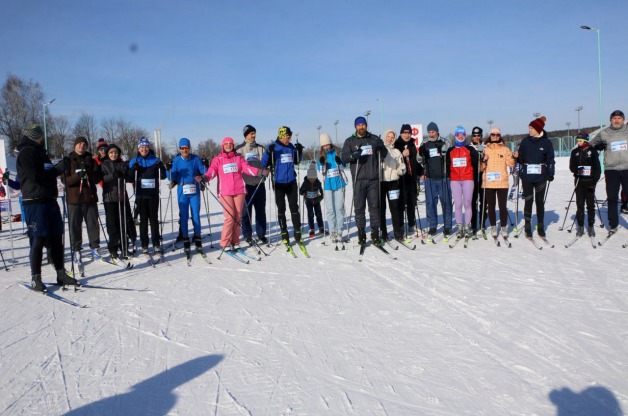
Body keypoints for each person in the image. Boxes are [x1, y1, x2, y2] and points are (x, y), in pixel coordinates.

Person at [16, 124, 78, 291]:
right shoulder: (26, 152)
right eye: (40, 135)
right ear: (34, 136)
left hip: (49, 199)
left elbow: (48, 171)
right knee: (38, 239)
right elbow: (35, 177)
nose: (43, 138)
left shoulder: (40, 152)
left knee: (56, 237)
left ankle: (60, 273)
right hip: (35, 201)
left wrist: (60, 166)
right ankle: (36, 277)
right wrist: (57, 169)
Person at [205, 137, 266, 250]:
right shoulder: (218, 159)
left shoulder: (239, 158)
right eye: (226, 143)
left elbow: (247, 168)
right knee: (230, 217)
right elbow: (212, 171)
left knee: (238, 217)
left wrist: (259, 172)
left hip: (239, 191)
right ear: (223, 146)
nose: (228, 145)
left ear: (233, 145)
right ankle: (225, 242)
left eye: (230, 143)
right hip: (225, 192)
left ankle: (235, 241)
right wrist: (206, 177)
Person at [341, 116, 387, 246]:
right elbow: (344, 158)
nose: (361, 127)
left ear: (366, 125)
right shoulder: (350, 141)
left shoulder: (374, 139)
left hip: (373, 179)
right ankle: (361, 233)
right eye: (359, 125)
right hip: (358, 179)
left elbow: (383, 155)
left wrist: (381, 147)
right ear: (355, 127)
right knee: (359, 208)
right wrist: (353, 155)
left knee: (374, 208)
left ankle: (375, 233)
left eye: (363, 124)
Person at [261, 126, 304, 244]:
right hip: (278, 183)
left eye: (290, 137)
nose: (290, 139)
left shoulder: (291, 147)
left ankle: (297, 231)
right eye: (288, 137)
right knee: (281, 208)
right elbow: (263, 164)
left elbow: (297, 161)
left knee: (294, 207)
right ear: (282, 136)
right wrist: (268, 153)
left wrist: (299, 151)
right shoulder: (272, 147)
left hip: (291, 182)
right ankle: (284, 231)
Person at [62, 136, 103, 262]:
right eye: (79, 143)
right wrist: (77, 176)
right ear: (75, 145)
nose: (82, 146)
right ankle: (76, 249)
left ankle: (94, 247)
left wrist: (88, 173)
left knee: (93, 224)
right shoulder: (68, 160)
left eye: (84, 144)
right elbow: (65, 180)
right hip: (74, 199)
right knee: (75, 225)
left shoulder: (91, 160)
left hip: (89, 197)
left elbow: (97, 178)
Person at [587, 110, 628, 236]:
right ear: (611, 120)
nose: (617, 120)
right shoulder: (604, 132)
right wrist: (598, 146)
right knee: (612, 197)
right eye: (614, 118)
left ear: (623, 120)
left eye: (619, 118)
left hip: (627, 168)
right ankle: (613, 224)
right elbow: (591, 144)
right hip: (611, 170)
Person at [514, 116, 555, 238]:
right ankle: (528, 226)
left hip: (540, 176)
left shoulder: (546, 143)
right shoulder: (525, 141)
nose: (529, 130)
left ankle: (540, 226)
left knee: (539, 202)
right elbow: (521, 159)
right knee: (528, 201)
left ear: (538, 129)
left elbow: (550, 159)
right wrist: (517, 156)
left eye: (531, 128)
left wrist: (551, 172)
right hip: (527, 176)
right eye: (529, 128)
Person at [128, 137, 167, 254]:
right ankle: (144, 244)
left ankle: (156, 243)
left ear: (149, 148)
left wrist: (162, 167)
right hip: (141, 195)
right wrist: (132, 169)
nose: (144, 149)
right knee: (143, 220)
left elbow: (163, 176)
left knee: (154, 219)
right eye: (142, 147)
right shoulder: (134, 161)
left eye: (146, 147)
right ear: (138, 149)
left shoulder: (155, 160)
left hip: (153, 195)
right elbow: (129, 177)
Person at [167, 138, 206, 255]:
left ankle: (197, 237)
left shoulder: (195, 159)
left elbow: (204, 172)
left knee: (196, 215)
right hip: (182, 189)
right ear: (180, 149)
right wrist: (168, 170)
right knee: (184, 216)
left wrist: (205, 168)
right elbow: (171, 177)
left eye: (186, 148)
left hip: (194, 190)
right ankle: (185, 238)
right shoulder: (177, 160)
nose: (184, 150)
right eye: (182, 148)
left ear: (189, 148)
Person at [100, 144, 137, 259]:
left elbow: (129, 178)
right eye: (111, 153)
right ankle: (113, 249)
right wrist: (113, 175)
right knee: (112, 226)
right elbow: (103, 179)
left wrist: (129, 171)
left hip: (122, 198)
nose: (113, 154)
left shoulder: (122, 164)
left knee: (124, 224)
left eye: (115, 152)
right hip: (110, 199)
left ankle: (124, 248)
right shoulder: (104, 165)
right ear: (108, 154)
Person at [418, 122, 452, 238]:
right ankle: (432, 226)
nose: (431, 134)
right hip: (430, 178)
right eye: (429, 132)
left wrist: (444, 153)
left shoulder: (445, 142)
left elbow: (451, 156)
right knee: (430, 203)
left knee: (446, 202)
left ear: (437, 131)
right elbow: (419, 160)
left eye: (433, 132)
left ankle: (447, 225)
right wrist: (420, 153)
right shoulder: (424, 143)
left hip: (443, 177)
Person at [235, 125, 268, 245]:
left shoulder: (261, 148)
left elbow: (265, 163)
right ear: (246, 135)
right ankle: (247, 234)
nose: (253, 135)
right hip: (246, 185)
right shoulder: (239, 149)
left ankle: (261, 234)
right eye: (251, 133)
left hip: (259, 184)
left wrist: (266, 172)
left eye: (254, 133)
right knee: (246, 212)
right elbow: (237, 166)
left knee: (260, 211)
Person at [480, 127, 514, 238]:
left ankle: (503, 227)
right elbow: (481, 168)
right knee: (491, 206)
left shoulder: (505, 149)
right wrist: (483, 160)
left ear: (500, 136)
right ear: (490, 136)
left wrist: (514, 157)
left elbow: (511, 164)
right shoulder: (485, 149)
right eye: (493, 134)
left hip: (502, 182)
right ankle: (493, 226)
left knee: (502, 206)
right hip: (489, 182)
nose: (495, 136)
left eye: (497, 134)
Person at [447, 126, 479, 239]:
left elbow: (476, 164)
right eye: (458, 135)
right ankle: (459, 226)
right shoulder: (450, 150)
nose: (460, 137)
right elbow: (447, 166)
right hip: (455, 180)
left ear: (465, 136)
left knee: (467, 203)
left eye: (463, 135)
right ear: (455, 136)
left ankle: (467, 225)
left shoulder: (470, 149)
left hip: (467, 179)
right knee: (458, 204)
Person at [568, 132, 601, 236]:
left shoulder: (592, 151)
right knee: (580, 204)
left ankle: (591, 226)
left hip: (590, 182)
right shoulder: (575, 152)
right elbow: (572, 167)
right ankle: (580, 226)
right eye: (577, 141)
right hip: (579, 181)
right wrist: (577, 170)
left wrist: (594, 181)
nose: (579, 142)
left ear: (586, 141)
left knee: (590, 205)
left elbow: (597, 167)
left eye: (580, 141)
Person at [394, 124, 423, 238]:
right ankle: (401, 225)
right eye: (405, 133)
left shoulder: (412, 144)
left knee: (412, 202)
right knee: (401, 203)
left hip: (411, 177)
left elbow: (415, 161)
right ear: (401, 133)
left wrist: (421, 172)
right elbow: (393, 160)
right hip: (401, 178)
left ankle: (411, 224)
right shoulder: (397, 144)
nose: (407, 135)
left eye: (409, 133)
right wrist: (402, 154)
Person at [317, 133, 347, 243]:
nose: (326, 147)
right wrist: (322, 164)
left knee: (339, 208)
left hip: (339, 183)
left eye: (327, 144)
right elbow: (321, 171)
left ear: (330, 143)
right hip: (328, 185)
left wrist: (340, 162)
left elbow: (344, 166)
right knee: (330, 210)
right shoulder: (320, 155)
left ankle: (339, 231)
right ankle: (332, 231)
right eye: (324, 145)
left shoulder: (338, 151)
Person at [381, 128, 406, 242]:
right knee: (381, 208)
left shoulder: (396, 152)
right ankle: (383, 233)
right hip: (381, 182)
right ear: (385, 137)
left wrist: (402, 169)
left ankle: (397, 233)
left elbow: (400, 167)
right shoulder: (380, 149)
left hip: (393, 183)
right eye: (388, 136)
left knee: (395, 208)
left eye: (392, 137)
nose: (390, 139)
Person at [469, 126, 487, 237]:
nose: (477, 137)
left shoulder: (486, 147)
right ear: (472, 136)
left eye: (479, 135)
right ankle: (473, 224)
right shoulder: (468, 148)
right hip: (472, 178)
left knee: (484, 201)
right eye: (475, 135)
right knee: (472, 202)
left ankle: (482, 223)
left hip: (483, 177)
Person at [299, 163, 325, 237]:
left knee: (319, 214)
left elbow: (322, 194)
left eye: (313, 178)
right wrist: (304, 191)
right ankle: (311, 229)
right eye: (310, 178)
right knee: (310, 214)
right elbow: (300, 191)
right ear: (308, 177)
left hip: (316, 201)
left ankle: (321, 227)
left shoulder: (318, 183)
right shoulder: (305, 182)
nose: (312, 180)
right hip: (308, 201)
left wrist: (319, 198)